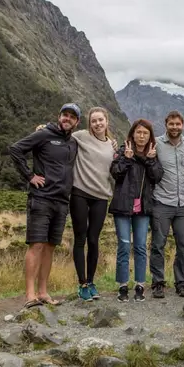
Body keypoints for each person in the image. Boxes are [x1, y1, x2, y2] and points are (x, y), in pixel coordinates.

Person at [8, 103, 80, 308]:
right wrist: (29, 176)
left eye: (72, 117)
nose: (67, 119)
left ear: (76, 122)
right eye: (64, 115)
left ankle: (43, 292)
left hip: (61, 201)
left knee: (49, 247)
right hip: (41, 198)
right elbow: (15, 149)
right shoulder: (44, 134)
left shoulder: (73, 142)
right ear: (59, 117)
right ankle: (30, 295)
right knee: (37, 245)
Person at [109, 119, 164, 302]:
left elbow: (157, 177)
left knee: (140, 247)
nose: (141, 136)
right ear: (133, 133)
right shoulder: (124, 150)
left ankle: (140, 285)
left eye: (145, 133)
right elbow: (115, 172)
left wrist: (150, 161)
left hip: (143, 208)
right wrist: (126, 158)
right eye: (138, 132)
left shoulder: (152, 154)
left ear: (150, 136)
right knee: (124, 246)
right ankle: (122, 285)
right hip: (123, 206)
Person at [69, 107, 117, 301]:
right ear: (90, 123)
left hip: (101, 197)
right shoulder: (80, 136)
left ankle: (91, 281)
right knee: (80, 238)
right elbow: (62, 134)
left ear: (107, 121)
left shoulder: (112, 145)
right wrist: (43, 129)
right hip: (79, 192)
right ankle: (82, 284)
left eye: (100, 120)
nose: (97, 123)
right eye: (94, 121)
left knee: (94, 240)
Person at [149, 111, 184, 298]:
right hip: (161, 202)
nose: (175, 127)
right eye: (171, 124)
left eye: (178, 124)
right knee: (158, 244)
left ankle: (181, 283)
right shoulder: (157, 144)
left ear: (182, 125)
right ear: (166, 124)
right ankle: (158, 283)